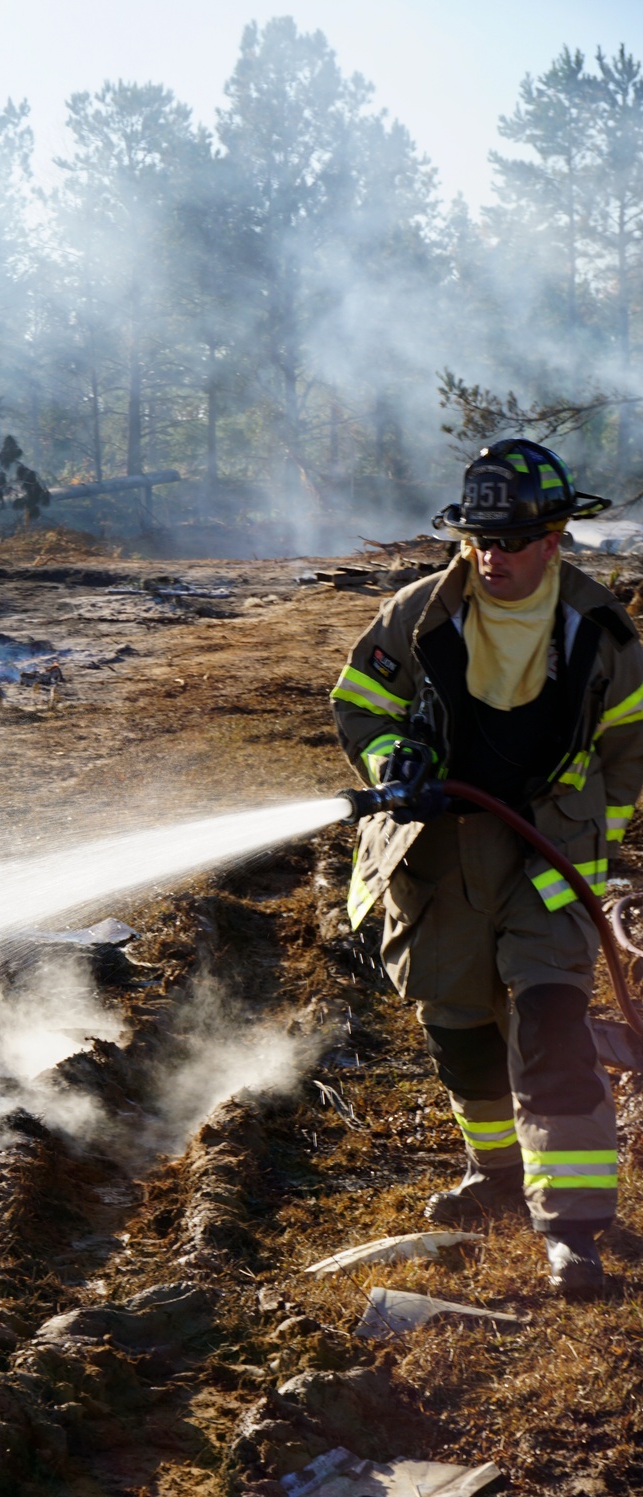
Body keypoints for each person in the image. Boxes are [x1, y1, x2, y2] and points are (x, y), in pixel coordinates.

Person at [330, 439, 643, 1295]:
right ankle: (497, 1174)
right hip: (435, 858)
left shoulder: (602, 633)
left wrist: (586, 836)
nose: (490, 557)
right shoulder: (417, 614)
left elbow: (627, 751)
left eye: (509, 540)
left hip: (546, 864)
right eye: (478, 539)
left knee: (550, 1025)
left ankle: (574, 1226)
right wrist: (395, 758)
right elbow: (360, 703)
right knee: (461, 1027)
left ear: (554, 537)